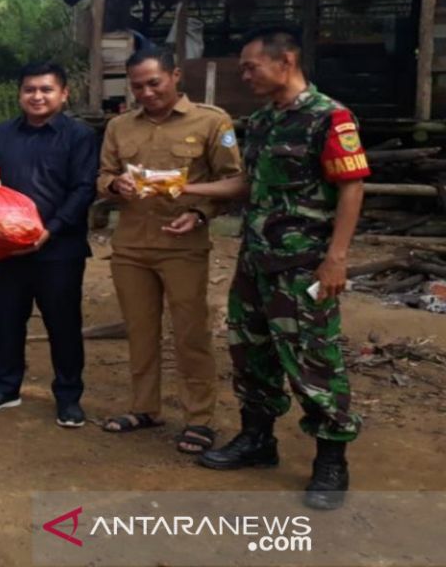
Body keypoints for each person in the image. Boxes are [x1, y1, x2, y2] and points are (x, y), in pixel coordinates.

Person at [183, 28, 367, 511]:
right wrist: (185, 190)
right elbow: (248, 182)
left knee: (314, 361)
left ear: (285, 61)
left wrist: (337, 258)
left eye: (250, 66)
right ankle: (257, 439)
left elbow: (351, 187)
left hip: (305, 264)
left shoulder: (330, 117)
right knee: (251, 352)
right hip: (256, 260)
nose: (244, 75)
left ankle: (331, 459)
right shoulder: (263, 121)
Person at [96, 47, 242, 454]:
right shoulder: (120, 126)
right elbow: (104, 175)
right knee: (140, 331)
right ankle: (145, 408)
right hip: (130, 245)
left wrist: (198, 211)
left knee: (190, 333)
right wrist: (114, 186)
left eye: (153, 83)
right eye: (137, 85)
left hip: (182, 245)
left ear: (175, 76)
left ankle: (200, 418)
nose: (145, 92)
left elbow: (233, 181)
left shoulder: (212, 121)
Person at [0, 62, 98, 427]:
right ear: (20, 93)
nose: (37, 96)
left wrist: (50, 230)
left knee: (63, 324)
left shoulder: (79, 136)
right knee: (7, 321)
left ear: (63, 93)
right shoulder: (2, 134)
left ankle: (69, 397)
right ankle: (5, 388)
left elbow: (84, 188)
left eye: (46, 89)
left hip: (59, 250)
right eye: (29, 90)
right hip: (5, 248)